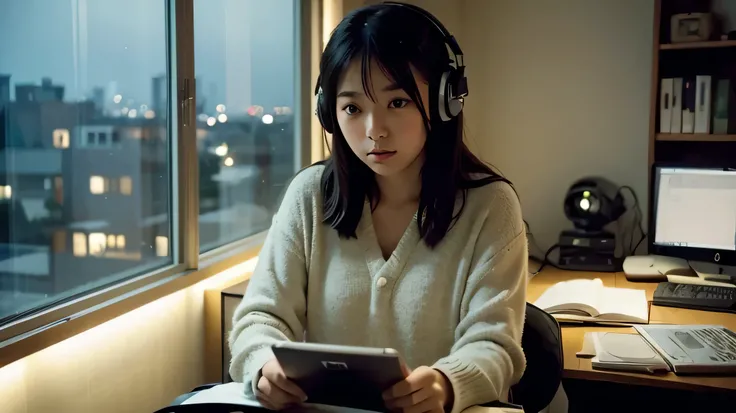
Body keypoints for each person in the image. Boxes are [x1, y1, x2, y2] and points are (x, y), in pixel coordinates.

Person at [228, 2, 528, 412]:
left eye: (398, 102)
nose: (374, 131)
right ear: (328, 112)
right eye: (352, 108)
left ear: (445, 101)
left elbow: (494, 343)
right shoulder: (309, 195)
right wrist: (263, 366)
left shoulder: (491, 206)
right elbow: (258, 317)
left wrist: (446, 383)